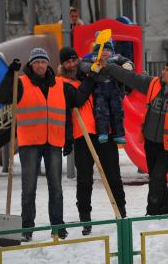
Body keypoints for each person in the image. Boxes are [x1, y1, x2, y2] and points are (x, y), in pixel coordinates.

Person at [0, 48, 95, 241]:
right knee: (29, 188)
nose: (40, 65)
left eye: (43, 61)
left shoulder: (60, 84)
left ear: (48, 63)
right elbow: (1, 97)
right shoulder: (21, 83)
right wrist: (10, 74)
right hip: (29, 143)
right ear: (31, 64)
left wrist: (90, 79)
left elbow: (76, 101)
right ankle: (26, 228)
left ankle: (58, 226)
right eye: (36, 62)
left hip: (54, 143)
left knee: (56, 188)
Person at [86, 56, 168, 215]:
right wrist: (110, 67)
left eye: (167, 70)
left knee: (157, 178)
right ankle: (165, 208)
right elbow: (131, 77)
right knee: (156, 177)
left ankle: (151, 211)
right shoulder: (153, 84)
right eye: (164, 68)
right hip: (150, 141)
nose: (163, 72)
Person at [58, 47, 127, 235]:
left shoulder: (88, 73)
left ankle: (121, 213)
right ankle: (85, 218)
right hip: (83, 136)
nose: (72, 64)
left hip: (105, 132)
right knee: (84, 179)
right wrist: (91, 77)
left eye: (74, 60)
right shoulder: (63, 82)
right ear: (63, 65)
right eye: (68, 62)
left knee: (113, 175)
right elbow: (78, 99)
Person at [83, 37, 134, 144]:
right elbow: (83, 65)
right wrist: (93, 67)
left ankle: (119, 134)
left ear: (112, 51)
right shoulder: (93, 59)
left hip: (114, 88)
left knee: (117, 110)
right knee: (101, 111)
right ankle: (103, 132)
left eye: (108, 50)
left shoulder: (116, 58)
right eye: (102, 50)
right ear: (97, 51)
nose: (105, 52)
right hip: (99, 89)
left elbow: (127, 60)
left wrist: (128, 65)